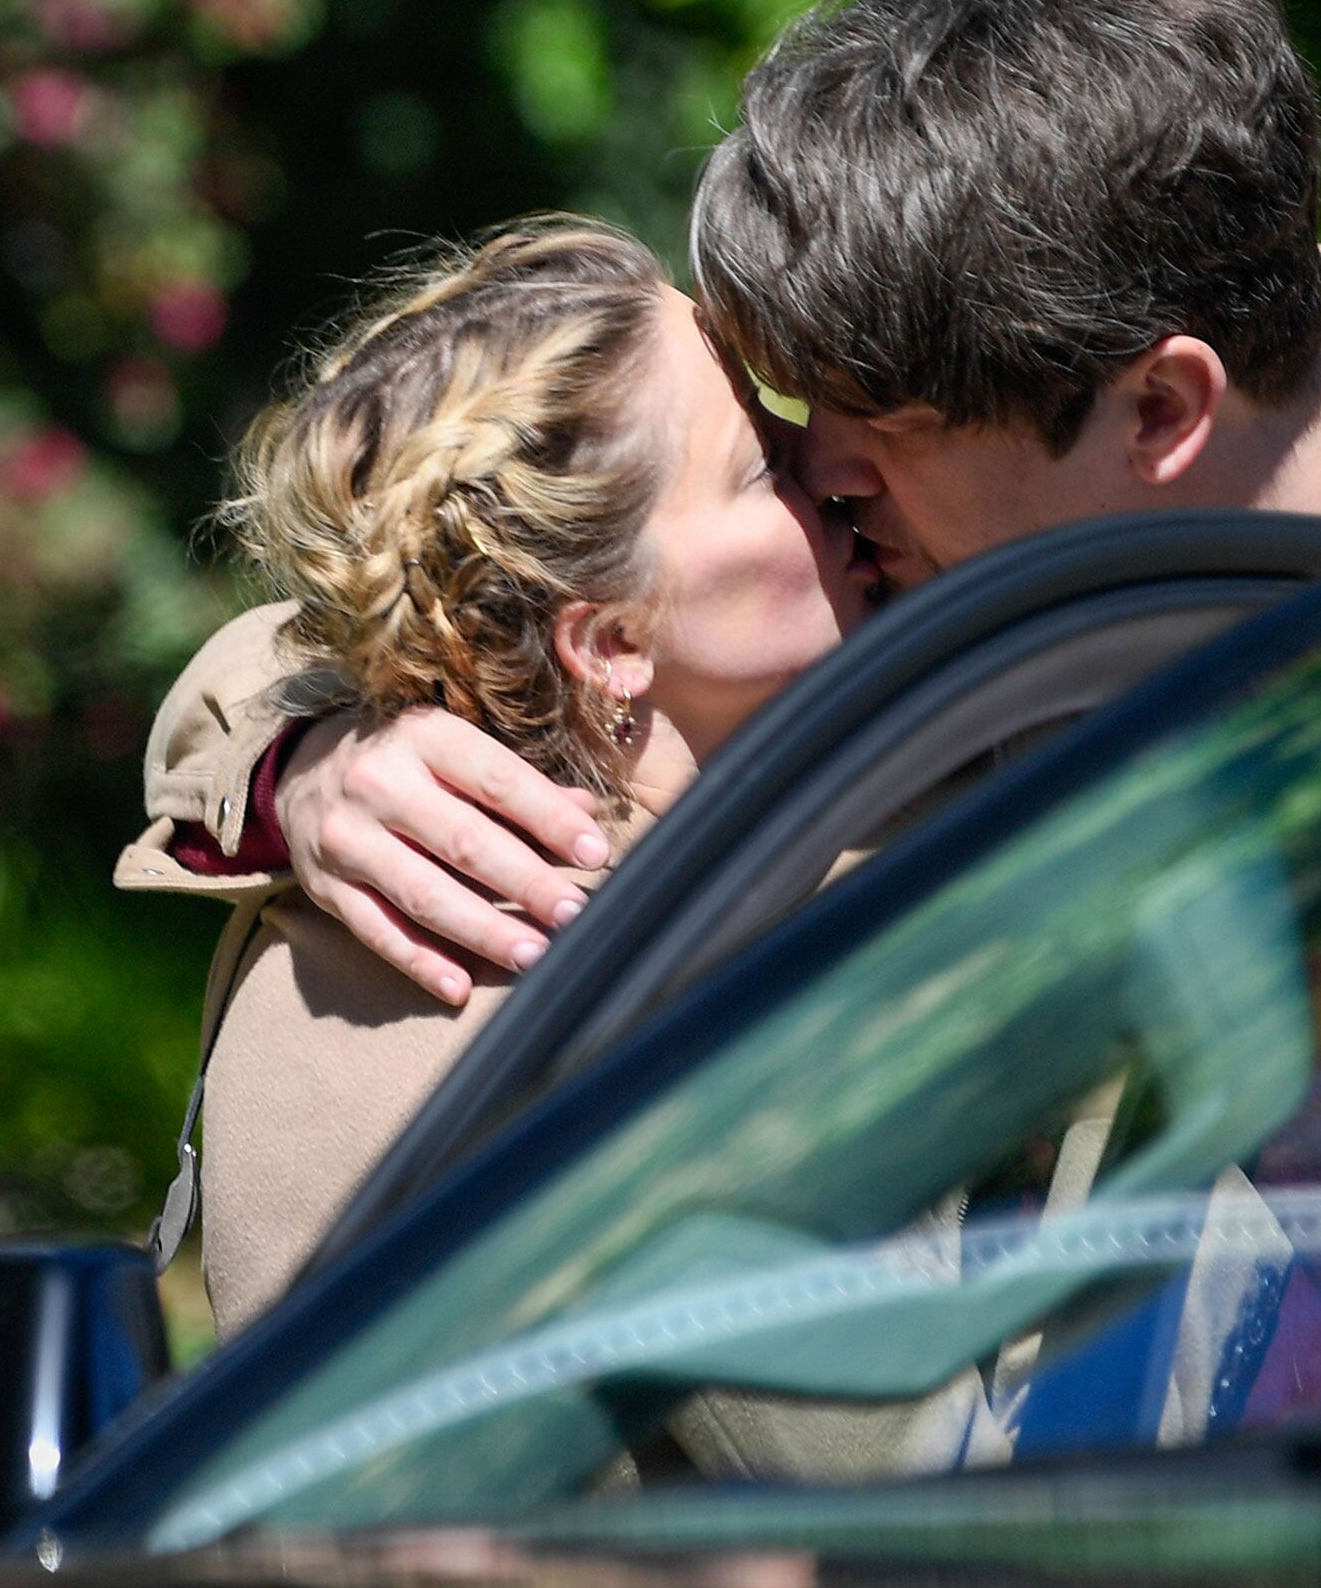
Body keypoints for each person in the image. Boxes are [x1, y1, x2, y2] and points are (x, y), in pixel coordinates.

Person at [124, 0, 1321, 1438]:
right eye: (783, 435)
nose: (828, 484)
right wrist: (312, 756)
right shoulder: (948, 661)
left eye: (870, 430)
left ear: (1165, 408)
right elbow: (487, 602)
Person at [131, 216, 883, 1335]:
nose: (828, 467)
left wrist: (307, 753)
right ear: (613, 644)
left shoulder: (702, 842)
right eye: (763, 465)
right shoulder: (610, 1019)